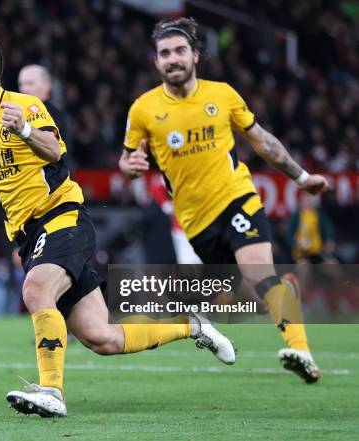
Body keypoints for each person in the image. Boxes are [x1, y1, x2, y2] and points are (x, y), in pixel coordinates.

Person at [0, 35, 236, 418]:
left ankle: (51, 391)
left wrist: (25, 130)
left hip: (63, 217)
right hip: (30, 238)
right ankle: (191, 325)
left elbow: (56, 150)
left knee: (36, 287)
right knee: (101, 337)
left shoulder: (24, 105)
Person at [119, 18, 329, 384]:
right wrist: (131, 167)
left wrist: (300, 177)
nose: (173, 59)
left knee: (259, 274)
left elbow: (262, 141)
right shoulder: (143, 109)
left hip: (236, 199)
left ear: (195, 55)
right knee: (252, 298)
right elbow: (126, 160)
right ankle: (289, 290)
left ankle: (302, 353)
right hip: (196, 222)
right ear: (156, 62)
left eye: (180, 51)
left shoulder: (222, 95)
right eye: (165, 53)